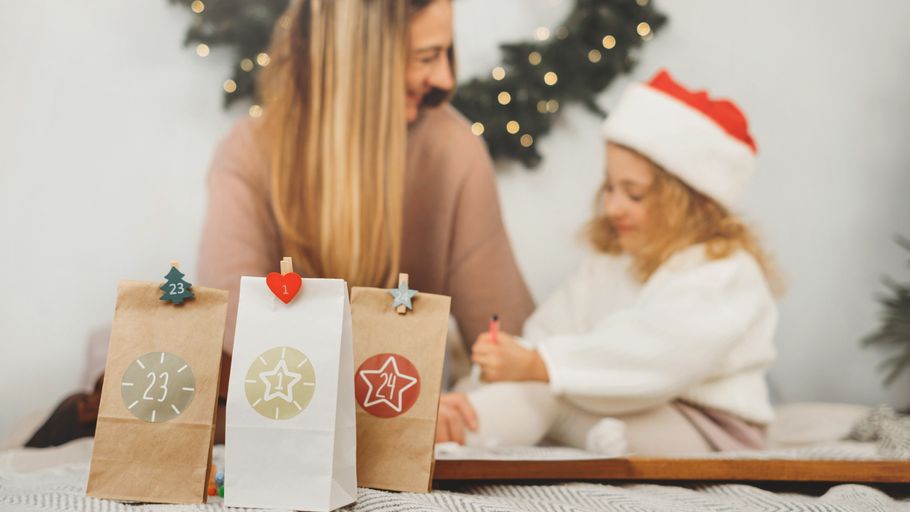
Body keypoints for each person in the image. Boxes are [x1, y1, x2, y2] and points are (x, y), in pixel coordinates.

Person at [437, 70, 782, 456]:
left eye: (634, 194)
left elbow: (655, 354)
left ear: (690, 203)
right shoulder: (612, 259)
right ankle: (454, 417)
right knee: (530, 389)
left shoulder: (724, 272)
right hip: (631, 407)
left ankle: (451, 437)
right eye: (610, 187)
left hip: (710, 427)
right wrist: (498, 373)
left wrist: (540, 365)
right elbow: (550, 331)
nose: (612, 206)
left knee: (548, 396)